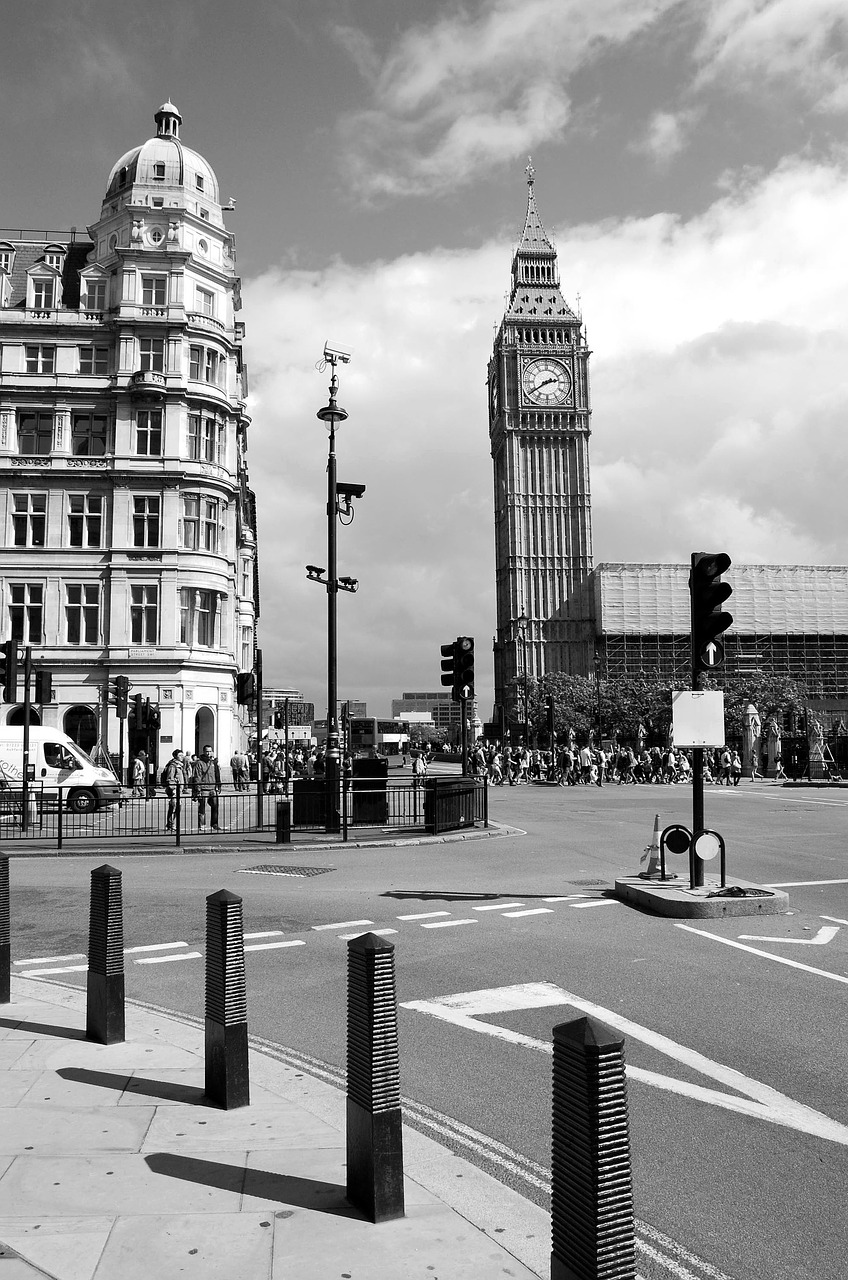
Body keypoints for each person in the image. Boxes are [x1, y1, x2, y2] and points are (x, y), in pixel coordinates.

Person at [193, 744, 222, 831]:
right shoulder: (199, 763)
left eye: (210, 751)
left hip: (213, 788)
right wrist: (198, 788)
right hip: (203, 788)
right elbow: (197, 776)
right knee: (202, 807)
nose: (209, 753)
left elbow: (217, 774)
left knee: (215, 806)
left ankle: (214, 824)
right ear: (203, 752)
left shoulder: (213, 763)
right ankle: (202, 825)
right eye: (207, 751)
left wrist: (218, 785)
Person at [163, 749, 187, 831]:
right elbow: (170, 778)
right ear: (175, 756)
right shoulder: (173, 766)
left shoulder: (180, 765)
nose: (182, 757)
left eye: (182, 755)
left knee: (177, 807)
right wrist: (172, 789)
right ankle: (170, 824)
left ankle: (171, 824)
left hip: (179, 790)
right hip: (175, 790)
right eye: (180, 755)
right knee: (174, 807)